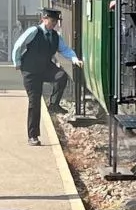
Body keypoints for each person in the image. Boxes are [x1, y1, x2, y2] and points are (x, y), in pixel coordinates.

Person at [12, 9, 84, 147]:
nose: (54, 24)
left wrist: (74, 58)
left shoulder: (55, 36)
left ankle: (54, 104)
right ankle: (33, 136)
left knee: (62, 76)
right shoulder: (34, 31)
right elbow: (18, 45)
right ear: (44, 19)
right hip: (30, 71)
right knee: (35, 102)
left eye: (56, 22)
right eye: (52, 21)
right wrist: (17, 62)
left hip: (45, 67)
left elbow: (64, 49)